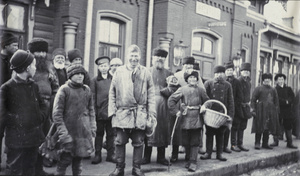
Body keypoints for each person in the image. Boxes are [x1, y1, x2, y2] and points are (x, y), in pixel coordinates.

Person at [108, 44, 155, 176]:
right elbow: (112, 92)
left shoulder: (146, 72)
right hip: (122, 113)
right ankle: (119, 168)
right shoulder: (119, 71)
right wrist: (113, 112)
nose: (134, 58)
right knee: (120, 141)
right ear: (127, 56)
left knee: (139, 142)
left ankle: (137, 168)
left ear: (139, 57)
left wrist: (151, 113)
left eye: (136, 56)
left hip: (140, 113)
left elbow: (151, 93)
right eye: (131, 56)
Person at [0, 50, 47, 175]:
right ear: (27, 68)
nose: (35, 68)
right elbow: (2, 116)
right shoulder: (7, 88)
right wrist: (21, 120)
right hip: (16, 141)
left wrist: (39, 117)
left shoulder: (33, 85)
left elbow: (42, 105)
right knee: (14, 171)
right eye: (33, 65)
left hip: (33, 139)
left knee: (29, 169)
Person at [52, 64, 96, 175]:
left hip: (82, 133)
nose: (80, 76)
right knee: (64, 161)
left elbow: (91, 110)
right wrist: (63, 133)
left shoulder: (86, 90)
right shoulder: (64, 90)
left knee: (78, 162)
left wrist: (92, 126)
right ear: (70, 75)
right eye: (77, 74)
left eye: (82, 73)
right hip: (68, 132)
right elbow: (57, 114)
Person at [28, 38, 59, 174]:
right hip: (30, 107)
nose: (41, 55)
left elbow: (56, 89)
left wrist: (53, 104)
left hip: (47, 107)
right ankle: (30, 168)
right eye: (37, 51)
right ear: (31, 52)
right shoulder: (27, 67)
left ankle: (40, 168)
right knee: (31, 138)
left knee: (44, 136)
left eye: (43, 52)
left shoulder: (50, 68)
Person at [168, 71, 209, 172]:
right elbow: (171, 100)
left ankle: (193, 162)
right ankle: (188, 159)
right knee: (186, 141)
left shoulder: (201, 90)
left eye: (194, 78)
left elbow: (208, 101)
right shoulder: (182, 89)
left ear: (197, 79)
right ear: (187, 80)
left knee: (195, 141)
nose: (192, 80)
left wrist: (205, 106)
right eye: (190, 78)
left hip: (197, 118)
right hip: (185, 119)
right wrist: (176, 111)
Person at [142, 48, 172, 166]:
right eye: (157, 56)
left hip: (164, 107)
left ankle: (161, 157)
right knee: (149, 129)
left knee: (162, 130)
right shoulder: (146, 72)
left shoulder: (169, 74)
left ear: (165, 59)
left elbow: (174, 89)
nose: (159, 59)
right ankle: (146, 156)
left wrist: (166, 90)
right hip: (149, 104)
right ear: (152, 58)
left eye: (162, 57)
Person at [201, 65, 234, 162]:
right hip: (211, 114)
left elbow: (231, 101)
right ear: (214, 74)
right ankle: (208, 152)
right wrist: (204, 109)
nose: (218, 75)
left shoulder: (228, 85)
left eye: (220, 73)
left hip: (222, 114)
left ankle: (219, 153)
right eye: (216, 73)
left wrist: (230, 116)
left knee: (221, 134)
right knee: (209, 133)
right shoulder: (208, 83)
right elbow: (204, 98)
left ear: (224, 74)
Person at [90, 56, 115, 164]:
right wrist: (94, 112)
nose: (103, 68)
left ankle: (110, 154)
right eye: (101, 66)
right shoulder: (95, 80)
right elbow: (93, 97)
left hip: (111, 112)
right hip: (99, 113)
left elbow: (116, 94)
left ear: (109, 67)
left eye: (105, 66)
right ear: (98, 68)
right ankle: (97, 155)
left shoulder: (113, 79)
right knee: (99, 134)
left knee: (111, 134)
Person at [251, 73, 280, 150]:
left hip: (270, 111)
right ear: (263, 80)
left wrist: (276, 111)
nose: (267, 80)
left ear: (270, 80)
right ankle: (257, 143)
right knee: (259, 126)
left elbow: (276, 101)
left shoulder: (273, 89)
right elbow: (253, 100)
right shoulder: (258, 88)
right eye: (265, 78)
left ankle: (265, 143)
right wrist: (253, 109)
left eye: (269, 79)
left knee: (267, 127)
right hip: (260, 110)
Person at [270, 73, 297, 148]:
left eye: (282, 79)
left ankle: (289, 143)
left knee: (288, 126)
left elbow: (292, 97)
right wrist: (286, 102)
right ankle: (275, 141)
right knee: (276, 125)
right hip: (278, 110)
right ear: (276, 81)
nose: (281, 81)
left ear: (284, 80)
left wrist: (288, 101)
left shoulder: (288, 89)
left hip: (287, 111)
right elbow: (276, 99)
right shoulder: (274, 89)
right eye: (279, 79)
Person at [231, 63, 252, 152]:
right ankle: (233, 144)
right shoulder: (237, 81)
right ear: (241, 72)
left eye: (247, 71)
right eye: (244, 71)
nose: (246, 73)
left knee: (243, 126)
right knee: (235, 125)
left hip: (245, 107)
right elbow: (234, 95)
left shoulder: (248, 82)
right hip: (238, 106)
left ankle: (240, 143)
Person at [224, 61, 243, 153]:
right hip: (224, 107)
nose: (229, 72)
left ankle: (233, 144)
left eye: (231, 70)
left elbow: (240, 96)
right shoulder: (223, 81)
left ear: (233, 71)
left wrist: (234, 105)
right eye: (227, 70)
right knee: (225, 127)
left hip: (235, 107)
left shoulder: (237, 82)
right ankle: (223, 145)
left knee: (234, 127)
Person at [194, 62, 207, 155]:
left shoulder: (203, 81)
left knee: (200, 127)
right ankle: (184, 146)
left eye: (197, 70)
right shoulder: (188, 79)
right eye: (194, 70)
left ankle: (200, 146)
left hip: (200, 108)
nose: (196, 72)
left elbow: (205, 96)